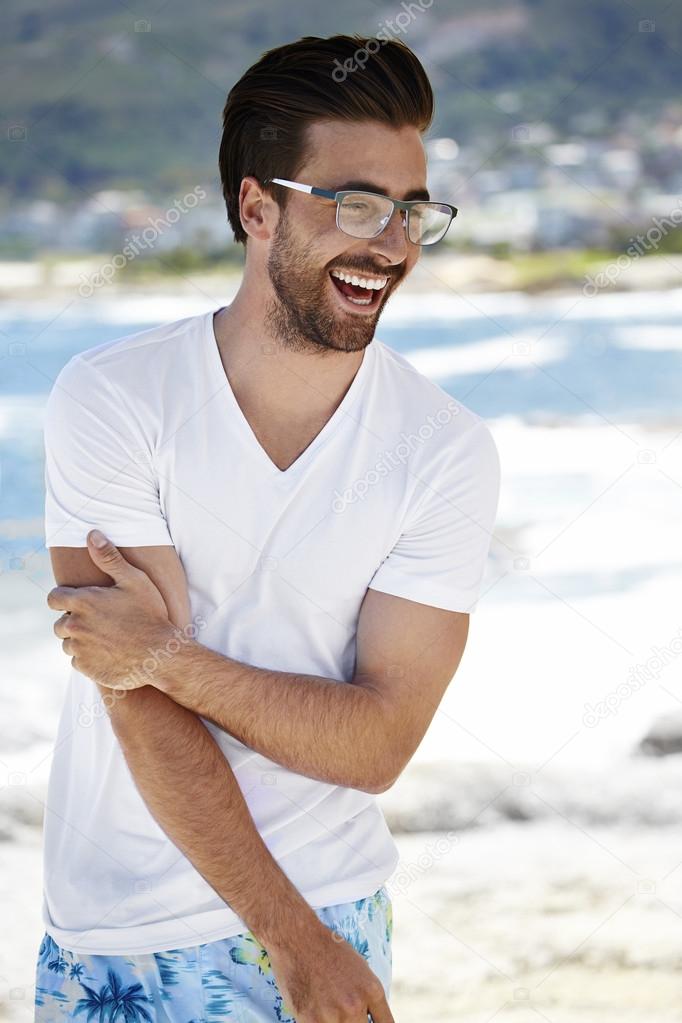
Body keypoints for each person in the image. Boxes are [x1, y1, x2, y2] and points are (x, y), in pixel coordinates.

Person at [37, 33, 500, 1023]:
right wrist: (288, 936)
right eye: (357, 204)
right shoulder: (117, 398)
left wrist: (168, 654)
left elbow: (376, 742)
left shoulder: (443, 450)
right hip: (119, 933)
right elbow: (130, 697)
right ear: (257, 206)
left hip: (333, 921)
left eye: (414, 212)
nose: (392, 244)